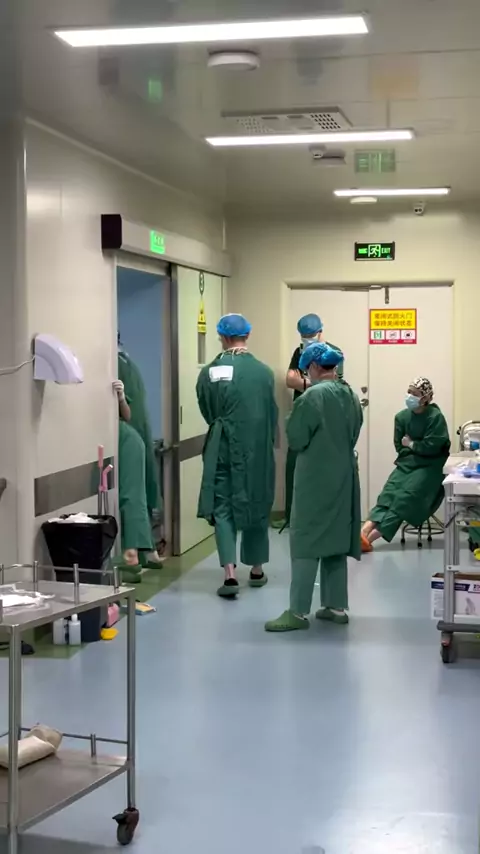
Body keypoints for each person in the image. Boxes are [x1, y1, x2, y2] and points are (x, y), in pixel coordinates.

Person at [266, 343, 363, 632]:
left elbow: (297, 438)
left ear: (313, 367)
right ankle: (335, 607)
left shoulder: (312, 397)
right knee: (335, 539)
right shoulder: (350, 395)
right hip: (344, 476)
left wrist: (290, 419)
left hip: (315, 479)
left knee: (306, 541)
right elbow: (354, 432)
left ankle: (297, 612)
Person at [197, 313, 278, 598]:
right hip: (256, 449)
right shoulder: (264, 373)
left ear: (221, 336)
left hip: (221, 446)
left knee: (223, 506)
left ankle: (229, 575)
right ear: (248, 335)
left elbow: (207, 410)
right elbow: (270, 413)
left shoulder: (209, 372)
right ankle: (256, 569)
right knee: (256, 499)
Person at [272, 313, 344, 531]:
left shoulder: (334, 353)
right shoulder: (299, 352)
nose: (308, 338)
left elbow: (333, 384)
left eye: (311, 334)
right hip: (302, 415)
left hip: (325, 418)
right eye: (304, 335)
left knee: (323, 469)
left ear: (320, 332)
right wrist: (313, 383)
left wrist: (303, 382)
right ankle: (291, 516)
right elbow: (289, 380)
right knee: (294, 465)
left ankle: (322, 518)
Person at [361, 377, 450, 551]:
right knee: (388, 494)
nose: (410, 396)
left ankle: (369, 540)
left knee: (405, 499)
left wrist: (412, 444)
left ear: (425, 398)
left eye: (415, 393)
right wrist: (413, 447)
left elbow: (434, 446)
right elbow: (399, 446)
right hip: (407, 464)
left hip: (431, 466)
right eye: (409, 392)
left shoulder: (435, 417)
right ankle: (363, 533)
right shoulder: (401, 417)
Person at [113, 363, 163, 572]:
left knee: (131, 496)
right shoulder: (127, 365)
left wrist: (121, 398)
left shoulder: (119, 365)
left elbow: (127, 415)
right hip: (127, 439)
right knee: (135, 495)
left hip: (126, 440)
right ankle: (146, 550)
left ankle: (132, 553)